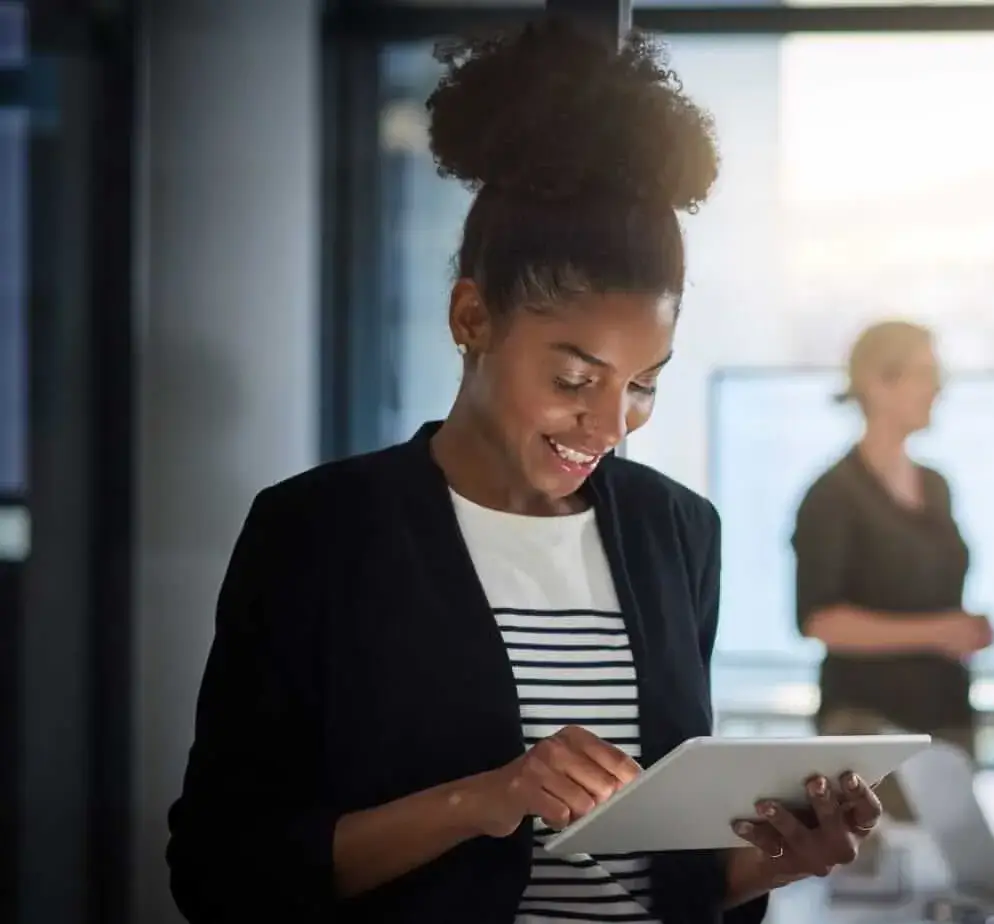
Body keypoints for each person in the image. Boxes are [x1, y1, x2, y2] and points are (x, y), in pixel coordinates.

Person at [166, 18, 882, 924]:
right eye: (575, 379)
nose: (611, 424)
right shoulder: (319, 532)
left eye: (645, 386)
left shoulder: (677, 531)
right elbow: (223, 871)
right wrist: (486, 798)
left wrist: (772, 864)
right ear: (471, 316)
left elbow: (654, 880)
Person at [792, 321, 994, 823]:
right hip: (869, 729)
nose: (938, 388)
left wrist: (964, 629)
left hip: (946, 722)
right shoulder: (832, 496)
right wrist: (938, 632)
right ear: (877, 384)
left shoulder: (936, 485)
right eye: (925, 373)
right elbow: (821, 621)